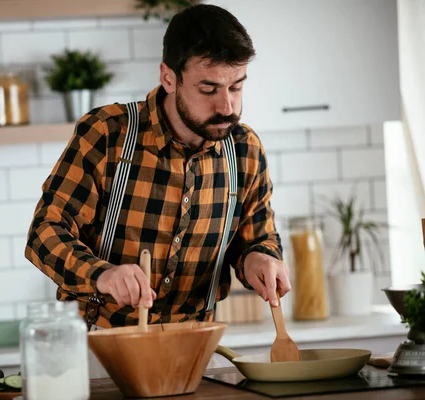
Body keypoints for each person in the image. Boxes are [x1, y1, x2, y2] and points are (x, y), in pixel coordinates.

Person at [25, 3, 291, 330]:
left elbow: (258, 237)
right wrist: (102, 274)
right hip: (101, 347)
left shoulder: (245, 149)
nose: (227, 106)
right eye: (208, 89)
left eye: (236, 87)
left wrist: (260, 259)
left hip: (195, 345)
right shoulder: (108, 133)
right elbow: (45, 232)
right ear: (168, 78)